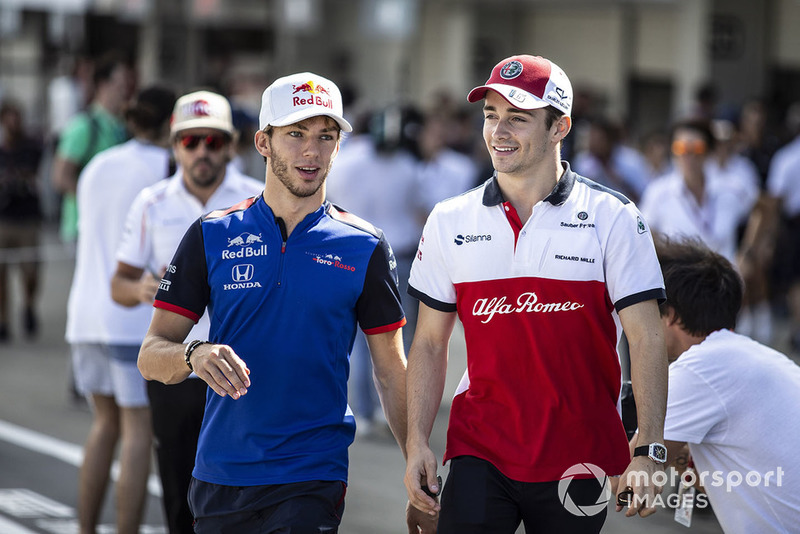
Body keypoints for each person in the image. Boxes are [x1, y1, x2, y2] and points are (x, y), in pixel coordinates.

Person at [404, 54, 669, 533]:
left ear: (559, 127)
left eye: (518, 118)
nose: (498, 132)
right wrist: (416, 443)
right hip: (479, 447)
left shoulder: (614, 216)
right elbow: (427, 343)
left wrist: (649, 447)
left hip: (580, 457)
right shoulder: (449, 219)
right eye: (491, 116)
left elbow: (647, 338)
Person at [137, 72, 411, 533]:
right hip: (221, 471)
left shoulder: (364, 244)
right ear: (263, 142)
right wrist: (194, 353)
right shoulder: (212, 233)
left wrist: (416, 453)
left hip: (312, 474)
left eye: (326, 137)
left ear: (339, 147)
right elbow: (151, 355)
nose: (312, 151)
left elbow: (391, 367)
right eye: (296, 134)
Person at [111, 90, 262, 534]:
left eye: (213, 141)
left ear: (231, 144)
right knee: (180, 496)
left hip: (244, 372)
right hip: (175, 369)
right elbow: (118, 284)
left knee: (246, 497)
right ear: (174, 145)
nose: (201, 151)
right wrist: (143, 288)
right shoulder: (151, 203)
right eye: (190, 141)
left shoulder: (259, 200)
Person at [64, 85, 177, 534]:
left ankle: (86, 528)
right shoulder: (167, 170)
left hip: (85, 313)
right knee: (137, 431)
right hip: (133, 317)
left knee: (104, 425)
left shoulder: (97, 164)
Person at [653, 236, 800, 533]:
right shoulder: (750, 353)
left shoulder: (698, 370)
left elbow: (630, 482)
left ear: (670, 316)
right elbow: (734, 487)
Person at [639, 118, 756, 264]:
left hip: (726, 281)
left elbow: (761, 209)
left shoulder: (730, 189)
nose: (689, 156)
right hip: (681, 283)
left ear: (708, 151)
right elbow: (643, 236)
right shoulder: (658, 193)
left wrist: (749, 252)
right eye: (681, 148)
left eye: (697, 148)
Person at [52, 51, 133, 242]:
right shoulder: (82, 127)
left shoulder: (122, 128)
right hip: (83, 228)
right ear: (103, 84)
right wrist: (96, 200)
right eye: (119, 83)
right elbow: (61, 178)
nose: (125, 90)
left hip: (112, 228)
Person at [0, 100, 44, 341]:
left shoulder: (30, 146)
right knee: (2, 275)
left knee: (31, 271)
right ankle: (3, 320)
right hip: (3, 218)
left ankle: (28, 305)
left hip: (27, 218)